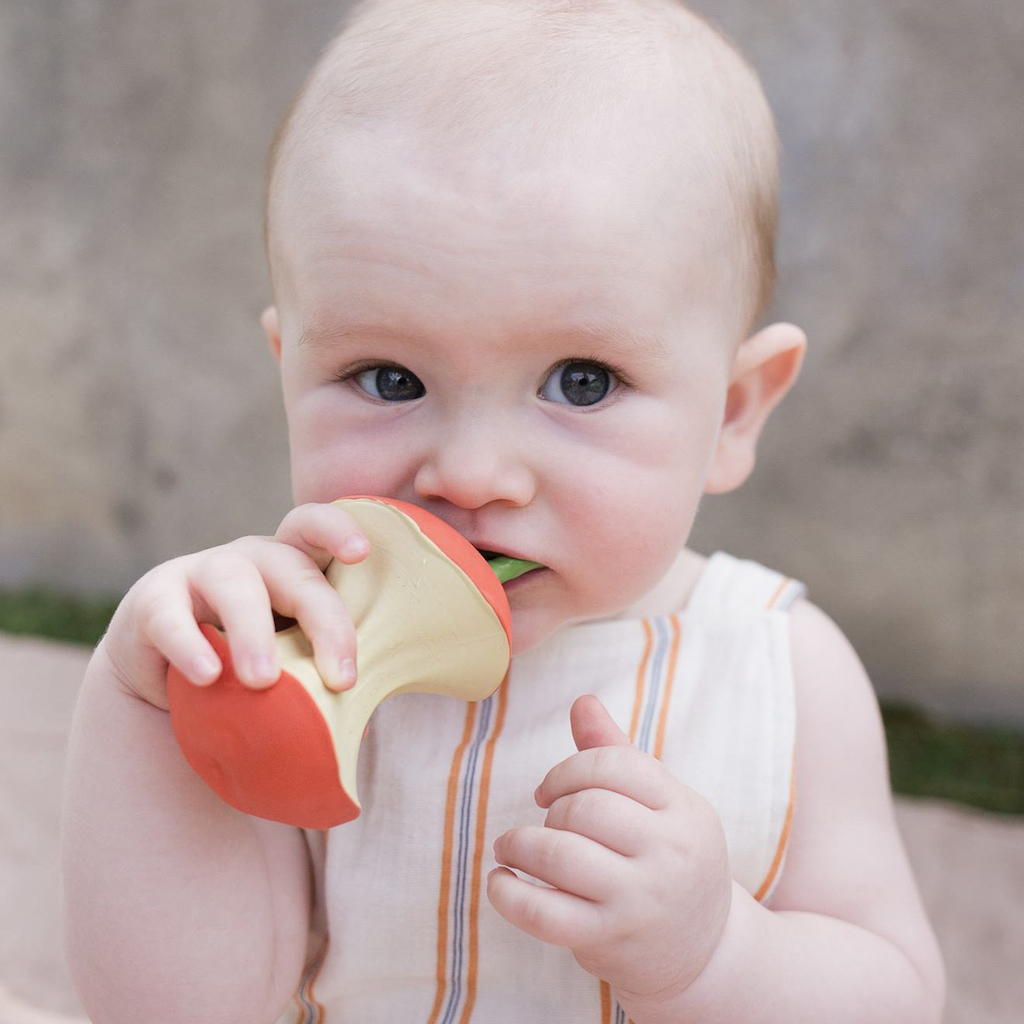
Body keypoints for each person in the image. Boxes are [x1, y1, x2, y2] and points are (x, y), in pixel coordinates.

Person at [61, 1, 946, 1021]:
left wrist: (713, 955)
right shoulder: (292, 652)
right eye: (387, 377)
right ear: (286, 372)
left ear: (731, 412)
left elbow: (898, 999)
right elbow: (175, 1007)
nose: (473, 475)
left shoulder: (778, 670)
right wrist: (143, 704)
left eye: (581, 381)